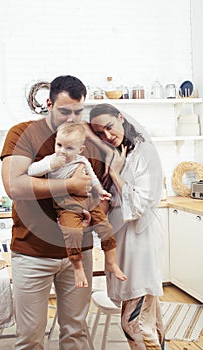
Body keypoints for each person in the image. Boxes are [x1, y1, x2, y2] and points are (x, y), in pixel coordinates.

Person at [0, 75, 107, 350]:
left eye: (78, 111)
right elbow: (14, 184)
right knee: (30, 339)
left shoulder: (86, 140)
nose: (72, 118)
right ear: (48, 103)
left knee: (76, 333)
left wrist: (92, 210)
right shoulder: (22, 134)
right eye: (64, 111)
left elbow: (99, 191)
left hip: (78, 253)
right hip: (31, 253)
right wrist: (69, 184)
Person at [88, 103, 165, 350]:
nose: (107, 136)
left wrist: (116, 173)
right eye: (99, 133)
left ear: (121, 118)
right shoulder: (119, 152)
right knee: (149, 317)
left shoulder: (142, 154)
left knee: (134, 323)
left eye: (109, 128)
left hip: (139, 244)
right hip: (124, 244)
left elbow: (141, 204)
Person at [27, 121, 127, 288]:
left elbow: (93, 177)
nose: (62, 151)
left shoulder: (83, 161)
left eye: (69, 148)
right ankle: (77, 266)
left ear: (80, 149)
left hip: (88, 201)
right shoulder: (51, 160)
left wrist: (100, 191)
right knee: (73, 233)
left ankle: (111, 262)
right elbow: (31, 171)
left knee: (106, 228)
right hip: (66, 206)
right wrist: (50, 165)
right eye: (59, 145)